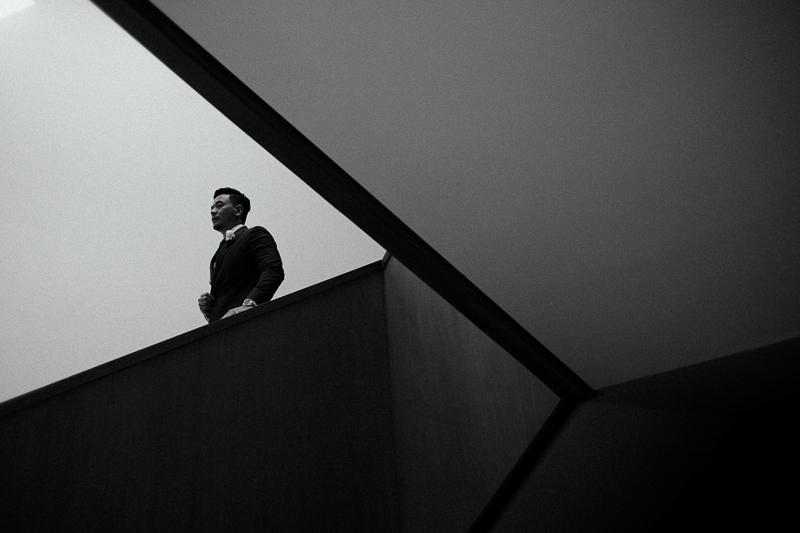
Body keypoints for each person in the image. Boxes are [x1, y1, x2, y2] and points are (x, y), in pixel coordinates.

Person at [198, 187, 284, 322]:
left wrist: (249, 305)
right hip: (222, 328)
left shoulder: (254, 234)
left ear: (238, 210)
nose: (213, 211)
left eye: (219, 206)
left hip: (248, 324)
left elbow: (272, 270)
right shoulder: (219, 251)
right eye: (212, 208)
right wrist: (209, 310)